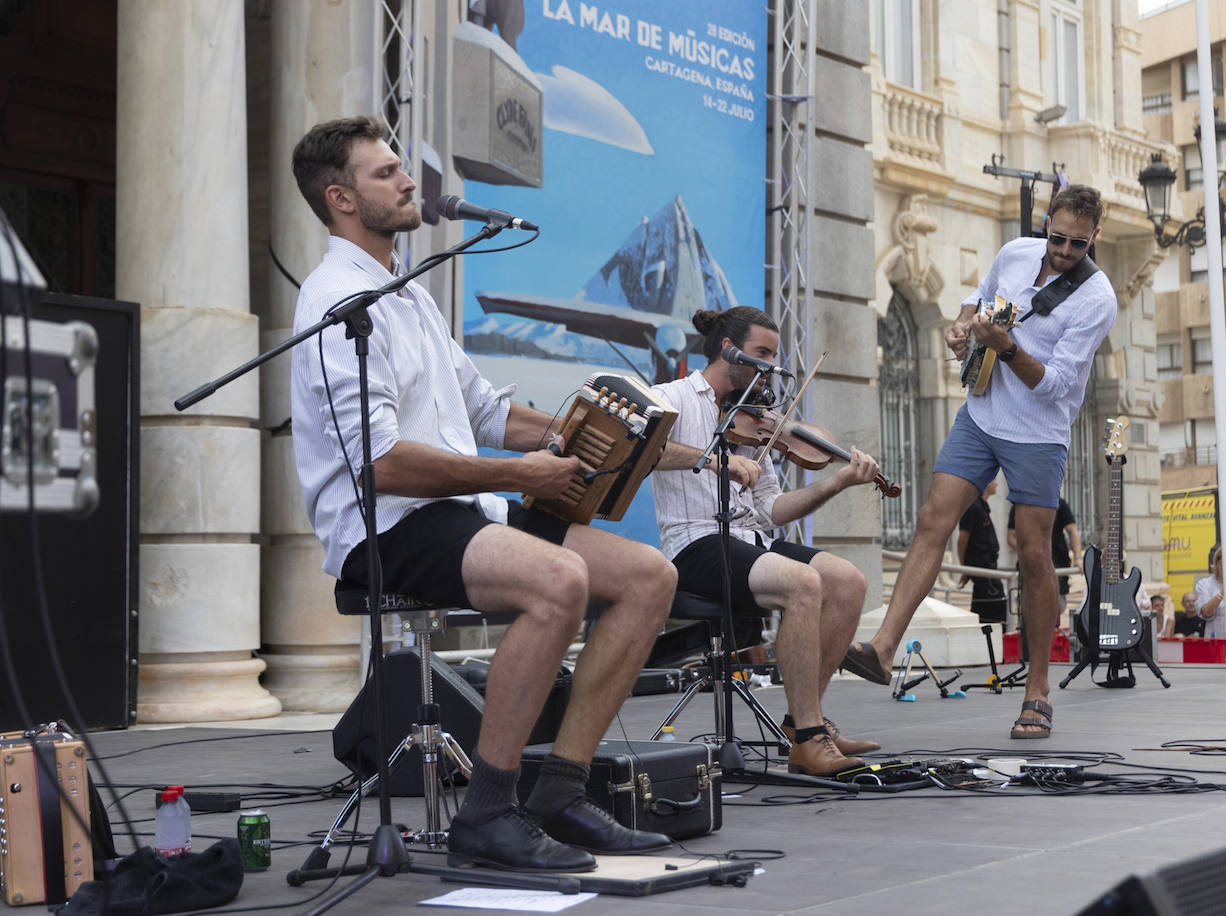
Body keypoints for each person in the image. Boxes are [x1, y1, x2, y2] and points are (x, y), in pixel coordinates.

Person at [289, 117, 680, 873]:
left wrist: (583, 432)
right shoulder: (336, 301)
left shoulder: (409, 295)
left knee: (648, 577)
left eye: (403, 168)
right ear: (341, 199)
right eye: (386, 173)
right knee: (557, 579)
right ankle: (487, 812)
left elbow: (487, 411)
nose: (409, 182)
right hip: (387, 528)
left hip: (462, 514)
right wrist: (518, 474)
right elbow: (380, 466)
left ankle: (559, 793)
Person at [842, 185, 1117, 740]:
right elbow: (978, 295)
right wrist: (964, 326)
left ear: (1095, 238)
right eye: (1057, 237)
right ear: (1047, 223)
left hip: (1038, 432)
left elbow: (1057, 385)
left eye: (1077, 244)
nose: (1063, 250)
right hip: (982, 411)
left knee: (1035, 552)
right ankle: (885, 648)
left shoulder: (1097, 299)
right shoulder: (1017, 252)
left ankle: (1036, 690)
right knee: (930, 520)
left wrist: (1008, 346)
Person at [650, 306, 884, 777]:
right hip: (693, 541)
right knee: (801, 582)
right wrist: (714, 460)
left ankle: (804, 721)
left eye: (774, 357)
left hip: (747, 538)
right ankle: (810, 739)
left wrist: (836, 483)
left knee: (847, 580)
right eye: (760, 355)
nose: (770, 368)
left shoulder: (754, 422)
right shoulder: (671, 397)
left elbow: (770, 510)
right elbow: (645, 447)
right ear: (727, 350)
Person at [1007, 497, 1081, 612]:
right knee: (1030, 603)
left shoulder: (1058, 503)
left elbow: (1072, 531)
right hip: (1030, 564)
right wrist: (1029, 551)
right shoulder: (1019, 505)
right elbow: (1011, 537)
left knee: (1056, 605)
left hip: (1057, 563)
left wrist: (1078, 557)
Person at [957, 479, 1007, 624]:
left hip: (989, 570)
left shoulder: (982, 507)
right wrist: (964, 569)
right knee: (996, 610)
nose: (997, 483)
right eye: (994, 480)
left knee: (984, 611)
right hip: (982, 572)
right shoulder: (972, 506)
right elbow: (962, 540)